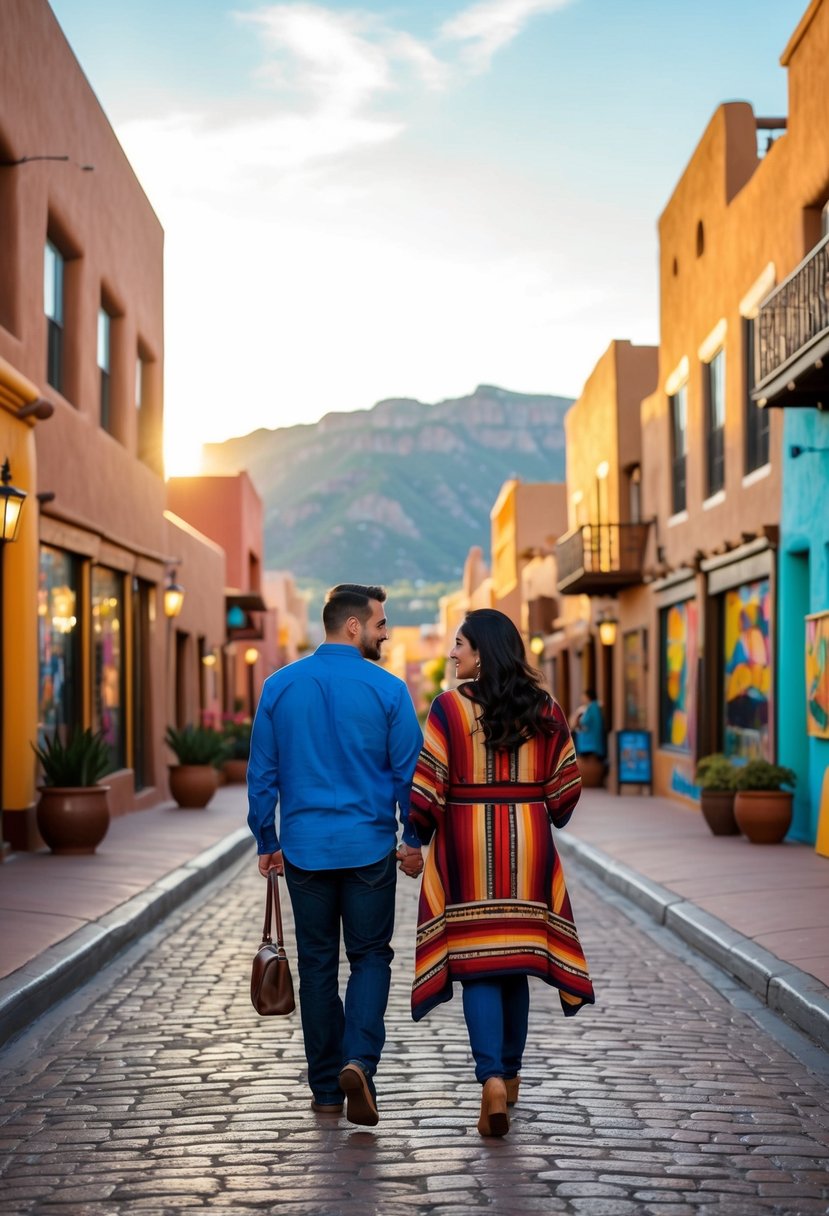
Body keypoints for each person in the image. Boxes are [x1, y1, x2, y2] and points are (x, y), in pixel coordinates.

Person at [408, 608, 594, 1137]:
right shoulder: (547, 709)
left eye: (460, 644)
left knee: (479, 964)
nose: (452, 654)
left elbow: (428, 785)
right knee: (515, 960)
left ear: (483, 651)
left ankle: (489, 1077)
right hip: (529, 845)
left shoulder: (448, 709)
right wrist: (535, 803)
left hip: (466, 846)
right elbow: (565, 792)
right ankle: (509, 1081)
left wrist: (416, 836)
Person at [247, 583, 425, 1127]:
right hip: (369, 849)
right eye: (379, 624)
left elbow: (262, 777)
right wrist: (413, 838)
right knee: (371, 957)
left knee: (318, 965)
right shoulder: (389, 691)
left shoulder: (278, 687)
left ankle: (326, 1089)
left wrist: (267, 841)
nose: (385, 632)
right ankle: (359, 1062)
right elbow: (410, 778)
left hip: (304, 853)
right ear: (353, 626)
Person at [573, 687, 607, 761]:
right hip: (592, 743)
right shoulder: (594, 707)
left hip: (591, 744)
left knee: (590, 764)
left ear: (588, 697)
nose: (582, 699)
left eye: (583, 697)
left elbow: (584, 722)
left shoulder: (592, 707)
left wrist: (578, 720)